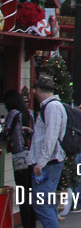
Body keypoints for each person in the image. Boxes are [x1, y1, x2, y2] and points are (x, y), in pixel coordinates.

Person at [26, 75, 66, 228]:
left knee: (42, 204)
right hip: (51, 162)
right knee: (47, 204)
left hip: (48, 163)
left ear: (37, 90)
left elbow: (51, 136)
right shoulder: (53, 106)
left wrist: (41, 162)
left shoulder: (52, 107)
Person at [2, 89, 35, 228]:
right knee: (29, 192)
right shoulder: (30, 114)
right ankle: (31, 223)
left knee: (22, 193)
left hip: (19, 158)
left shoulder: (13, 114)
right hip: (31, 157)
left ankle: (26, 223)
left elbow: (5, 133)